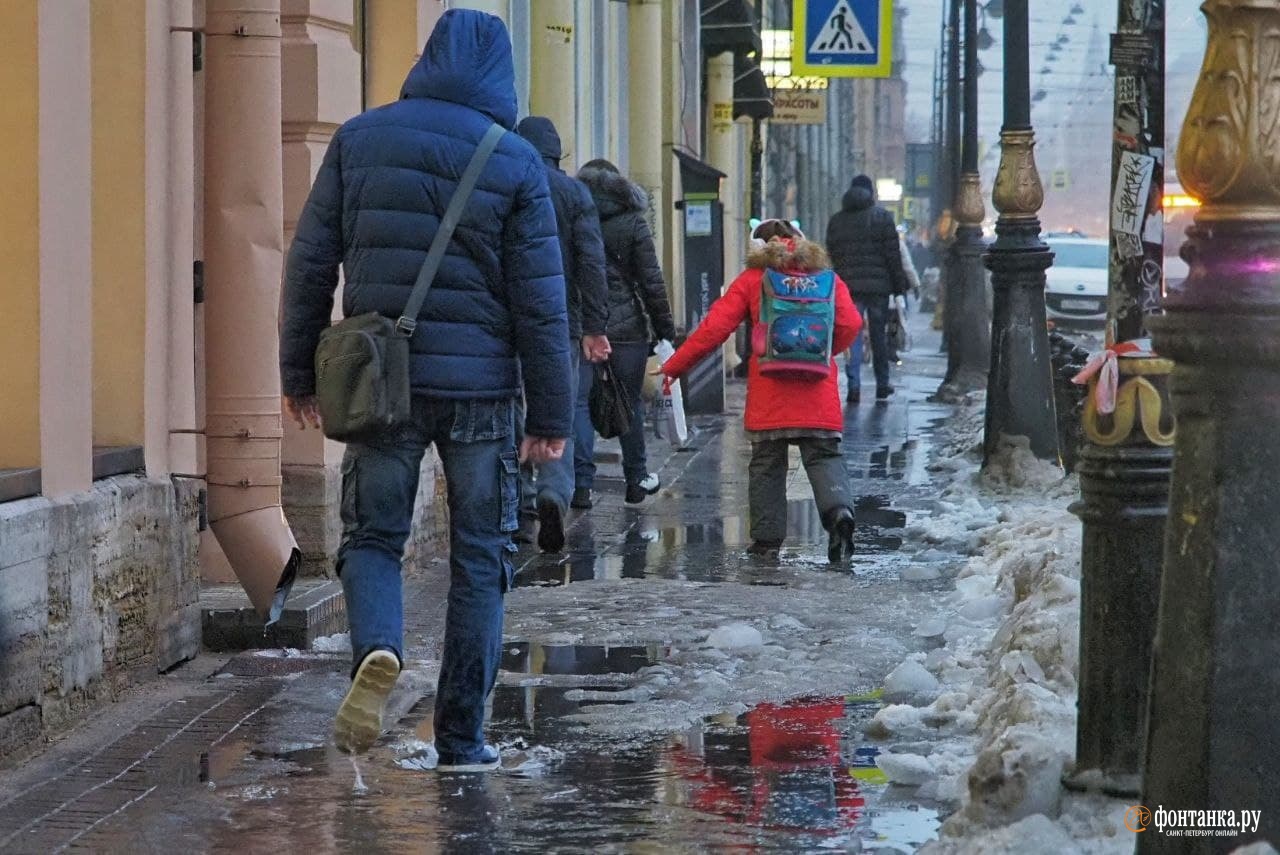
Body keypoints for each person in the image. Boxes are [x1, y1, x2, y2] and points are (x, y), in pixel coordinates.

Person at [278, 10, 571, 772]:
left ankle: (378, 647)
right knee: (481, 555)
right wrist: (550, 415)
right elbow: (542, 303)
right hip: (481, 393)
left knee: (373, 537)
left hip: (381, 381)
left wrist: (298, 373)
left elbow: (310, 261)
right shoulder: (515, 163)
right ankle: (463, 739)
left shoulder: (360, 138)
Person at [659, 220, 861, 560]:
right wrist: (825, 352)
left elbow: (715, 327)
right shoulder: (828, 280)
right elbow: (851, 323)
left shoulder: (755, 279)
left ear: (764, 247)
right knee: (825, 455)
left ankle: (767, 542)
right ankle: (839, 513)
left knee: (767, 464)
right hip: (817, 390)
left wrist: (674, 367)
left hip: (770, 392)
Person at [513, 116, 611, 553]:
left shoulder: (507, 183)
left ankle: (519, 507)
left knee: (514, 408)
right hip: (563, 324)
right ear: (558, 154)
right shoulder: (575, 193)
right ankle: (554, 493)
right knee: (562, 410)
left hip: (510, 322)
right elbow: (592, 264)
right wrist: (595, 327)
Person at [574, 159, 676, 506]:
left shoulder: (573, 219)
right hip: (628, 330)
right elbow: (651, 281)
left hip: (583, 326)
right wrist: (665, 329)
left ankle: (582, 487)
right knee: (629, 404)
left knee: (583, 405)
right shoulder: (633, 222)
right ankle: (636, 479)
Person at [826, 174, 910, 404]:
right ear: (871, 193)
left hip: (848, 288)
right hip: (879, 288)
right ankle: (882, 384)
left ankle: (854, 386)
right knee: (878, 336)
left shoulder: (837, 220)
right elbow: (893, 256)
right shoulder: (883, 218)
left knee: (852, 334)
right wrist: (898, 287)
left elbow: (832, 253)